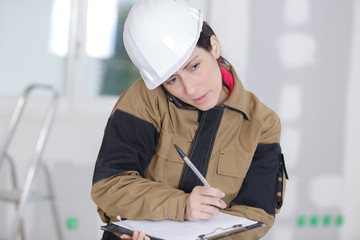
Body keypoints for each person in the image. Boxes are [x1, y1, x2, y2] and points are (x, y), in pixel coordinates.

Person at [91, 0, 288, 239]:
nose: (191, 89)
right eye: (172, 80)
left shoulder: (261, 123)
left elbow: (257, 214)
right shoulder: (144, 100)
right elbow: (110, 185)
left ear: (213, 46)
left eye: (194, 66)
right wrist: (181, 205)